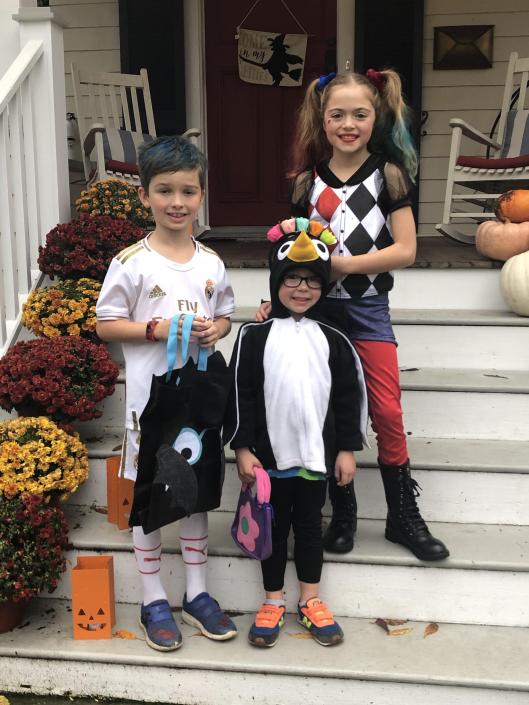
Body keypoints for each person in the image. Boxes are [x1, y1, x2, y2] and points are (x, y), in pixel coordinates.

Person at [257, 69, 449, 562]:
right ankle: (342, 513)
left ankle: (402, 515)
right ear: (321, 120)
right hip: (317, 312)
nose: (348, 124)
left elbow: (405, 250)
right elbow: (293, 252)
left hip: (367, 308)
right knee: (327, 407)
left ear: (375, 117)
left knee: (386, 409)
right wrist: (276, 298)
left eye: (359, 114)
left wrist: (343, 265)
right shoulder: (307, 182)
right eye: (337, 115)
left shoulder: (389, 175)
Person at [96, 135, 237, 651]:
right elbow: (106, 324)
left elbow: (225, 314)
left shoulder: (211, 262)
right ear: (144, 196)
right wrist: (155, 329)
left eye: (188, 191)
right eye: (164, 191)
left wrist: (217, 329)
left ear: (201, 196)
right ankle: (153, 597)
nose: (177, 202)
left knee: (195, 488)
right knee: (150, 493)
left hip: (197, 403)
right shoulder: (131, 262)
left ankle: (197, 593)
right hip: (150, 405)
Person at [224, 225, 368, 647]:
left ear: (324, 286)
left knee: (308, 528)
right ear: (275, 282)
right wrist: (242, 447)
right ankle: (272, 601)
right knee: (271, 530)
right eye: (291, 278)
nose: (302, 288)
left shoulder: (335, 339)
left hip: (316, 459)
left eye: (312, 280)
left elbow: (349, 397)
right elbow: (240, 393)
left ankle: (310, 600)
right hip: (268, 461)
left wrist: (346, 449)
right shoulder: (254, 336)